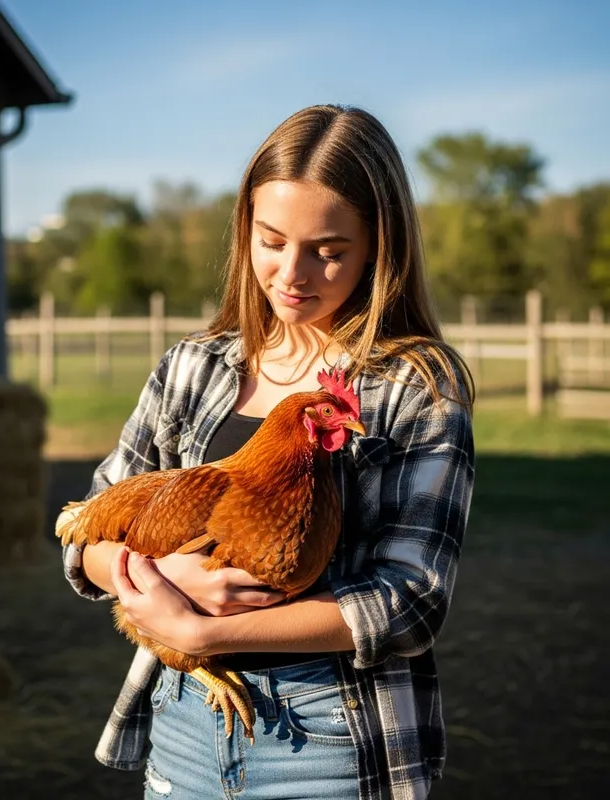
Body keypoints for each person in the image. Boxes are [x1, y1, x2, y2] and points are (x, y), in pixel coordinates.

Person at [62, 104, 475, 800]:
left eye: (330, 249)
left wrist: (207, 632)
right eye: (272, 239)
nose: (292, 272)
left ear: (378, 245)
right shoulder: (192, 367)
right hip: (186, 718)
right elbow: (86, 534)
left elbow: (411, 600)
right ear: (245, 228)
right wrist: (162, 581)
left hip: (332, 732)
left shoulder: (417, 385)